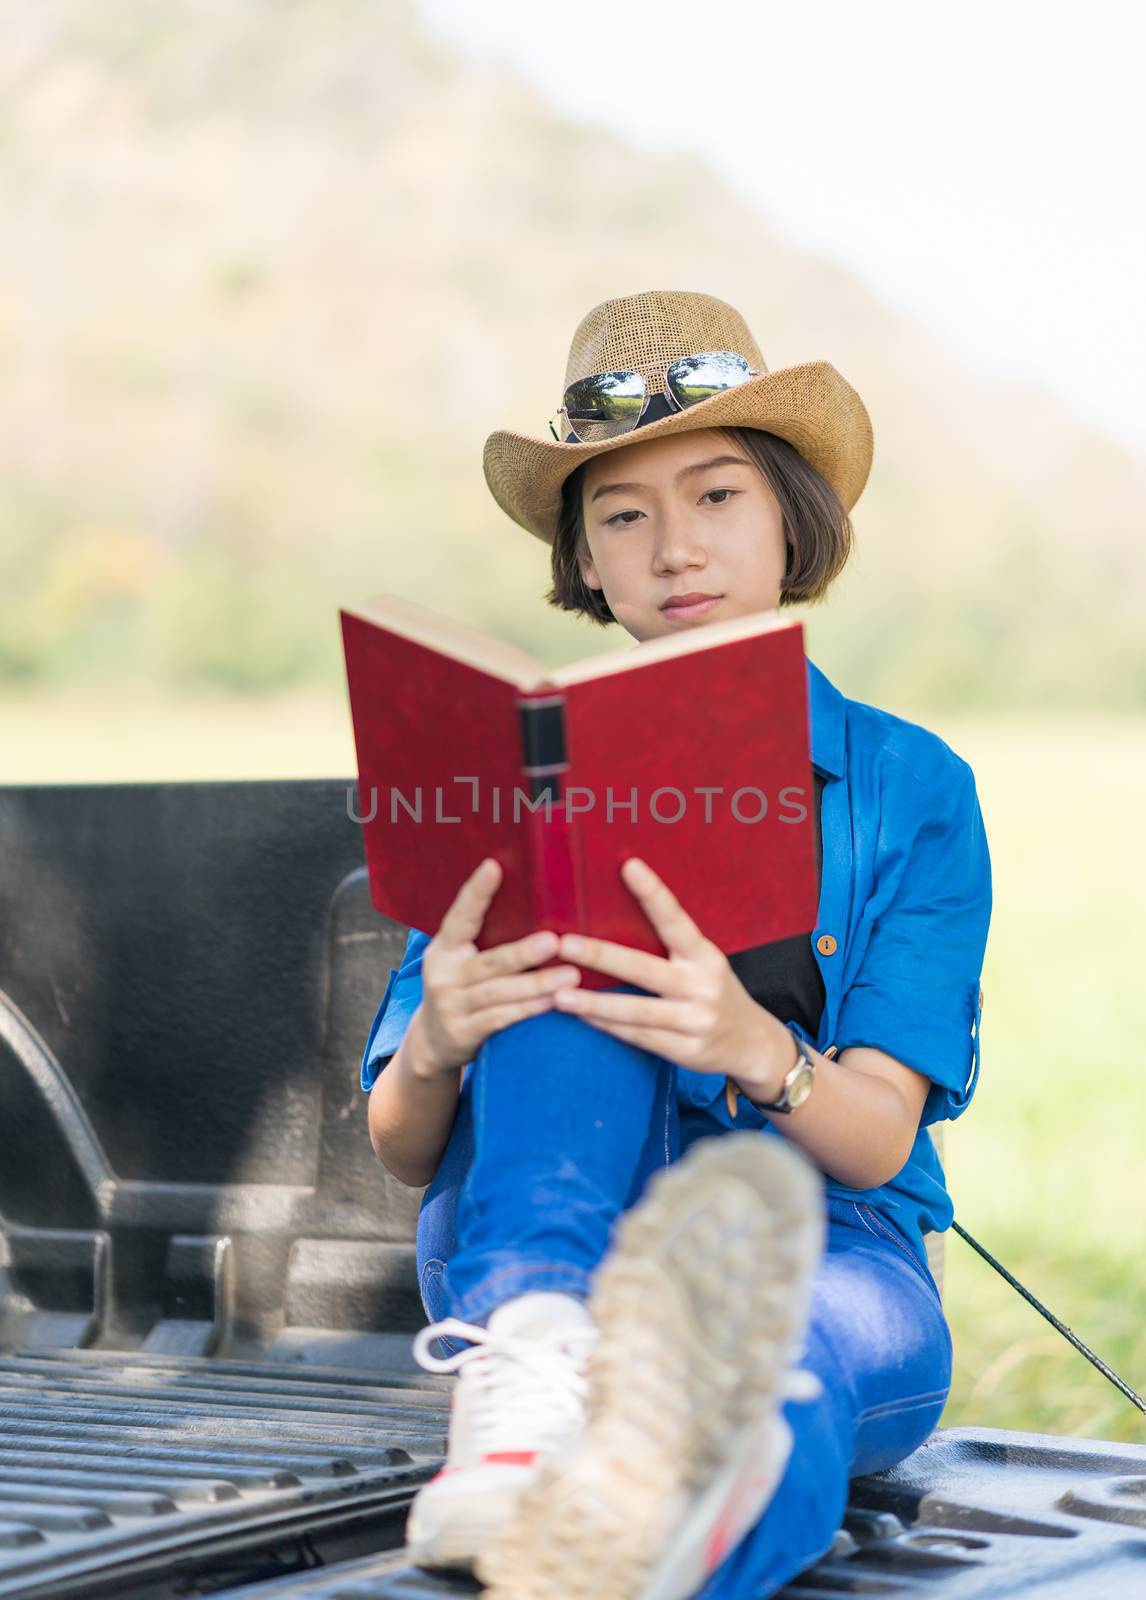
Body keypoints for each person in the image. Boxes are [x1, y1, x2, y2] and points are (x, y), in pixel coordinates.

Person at [359, 290, 992, 1599]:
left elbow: (877, 1137)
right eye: (622, 515)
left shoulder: (908, 785)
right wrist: (437, 1036)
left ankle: (652, 1525)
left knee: (772, 1374)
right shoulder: (520, 763)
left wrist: (753, 1047)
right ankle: (530, 1390)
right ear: (584, 560)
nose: (672, 549)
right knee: (563, 941)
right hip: (536, 1228)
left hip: (825, 1239)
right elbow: (400, 1141)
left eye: (714, 497)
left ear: (786, 520)